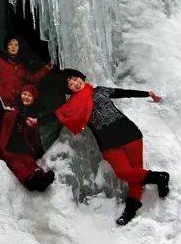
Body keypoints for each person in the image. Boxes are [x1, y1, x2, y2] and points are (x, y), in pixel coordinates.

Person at [32, 69, 170, 225]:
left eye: (76, 79)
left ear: (81, 78)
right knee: (124, 172)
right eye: (70, 84)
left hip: (128, 133)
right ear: (68, 90)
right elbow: (57, 115)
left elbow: (123, 92)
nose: (75, 84)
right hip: (108, 142)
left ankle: (131, 209)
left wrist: (147, 94)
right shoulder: (72, 106)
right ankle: (160, 177)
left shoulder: (100, 91)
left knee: (135, 174)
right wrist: (37, 121)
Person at [0, 86, 55, 191]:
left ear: (34, 99)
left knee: (28, 161)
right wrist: (23, 119)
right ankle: (29, 180)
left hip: (21, 146)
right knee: (17, 163)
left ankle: (42, 177)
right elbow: (8, 115)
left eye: (30, 95)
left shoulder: (33, 113)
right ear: (20, 95)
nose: (26, 97)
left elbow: (34, 135)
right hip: (6, 146)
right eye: (24, 94)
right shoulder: (13, 107)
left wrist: (38, 150)